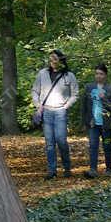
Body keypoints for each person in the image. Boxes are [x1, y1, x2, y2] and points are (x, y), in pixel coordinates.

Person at [32, 50, 79, 178]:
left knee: (61, 140)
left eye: (55, 59)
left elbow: (75, 93)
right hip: (46, 111)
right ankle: (52, 171)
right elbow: (35, 91)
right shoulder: (42, 73)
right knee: (50, 143)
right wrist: (38, 105)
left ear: (61, 60)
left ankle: (67, 167)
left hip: (60, 112)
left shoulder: (69, 75)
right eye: (50, 59)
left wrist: (66, 106)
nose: (52, 61)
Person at [81, 63, 111, 177]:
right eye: (96, 73)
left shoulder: (110, 89)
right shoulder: (89, 87)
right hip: (93, 123)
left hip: (106, 124)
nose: (98, 76)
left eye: (101, 74)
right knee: (93, 146)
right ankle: (93, 170)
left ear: (105, 75)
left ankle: (109, 169)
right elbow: (84, 106)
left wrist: (104, 98)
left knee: (107, 146)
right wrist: (84, 121)